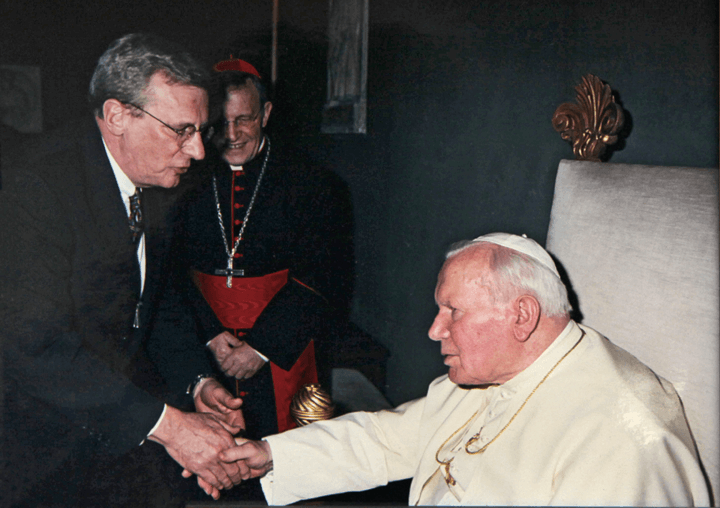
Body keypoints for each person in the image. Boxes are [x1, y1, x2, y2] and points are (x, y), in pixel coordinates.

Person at [216, 232, 711, 506]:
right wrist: (269, 455)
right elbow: (390, 439)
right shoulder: (497, 370)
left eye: (453, 311)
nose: (434, 331)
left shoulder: (620, 440)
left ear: (521, 315)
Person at [0, 34, 247, 507]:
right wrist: (171, 427)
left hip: (119, 432)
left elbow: (156, 298)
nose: (197, 152)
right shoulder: (34, 188)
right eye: (181, 130)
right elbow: (37, 348)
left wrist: (197, 380)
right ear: (117, 116)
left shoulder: (156, 181)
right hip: (34, 447)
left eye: (200, 130)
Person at [174, 58, 353, 441]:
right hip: (205, 346)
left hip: (285, 346)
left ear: (266, 113)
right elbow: (170, 271)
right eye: (221, 123)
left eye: (245, 119)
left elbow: (322, 276)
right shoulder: (182, 181)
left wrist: (261, 348)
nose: (233, 134)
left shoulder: (313, 184)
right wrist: (209, 334)